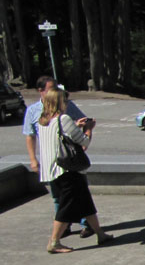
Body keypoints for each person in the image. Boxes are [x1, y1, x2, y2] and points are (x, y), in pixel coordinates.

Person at [34, 87, 112, 254]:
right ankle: (54, 242)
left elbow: (57, 138)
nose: (67, 104)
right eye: (65, 100)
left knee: (85, 202)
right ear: (59, 102)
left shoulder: (43, 121)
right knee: (66, 207)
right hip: (67, 171)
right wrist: (89, 128)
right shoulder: (63, 119)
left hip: (51, 170)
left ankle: (100, 233)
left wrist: (75, 126)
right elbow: (84, 142)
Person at [22, 76, 89, 237]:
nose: (56, 91)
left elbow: (73, 125)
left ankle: (87, 225)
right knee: (61, 197)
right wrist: (33, 159)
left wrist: (78, 126)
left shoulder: (66, 107)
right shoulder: (34, 112)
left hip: (68, 160)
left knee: (79, 195)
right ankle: (60, 232)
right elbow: (30, 135)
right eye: (52, 88)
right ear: (41, 91)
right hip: (53, 161)